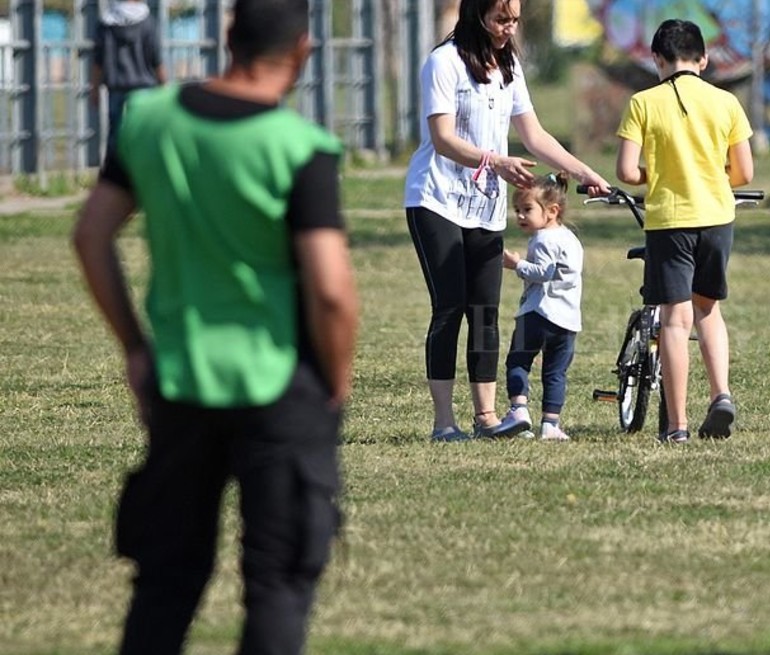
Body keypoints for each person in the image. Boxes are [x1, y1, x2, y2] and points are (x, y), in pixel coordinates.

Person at [70, 1, 358, 653]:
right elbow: (333, 292)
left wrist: (137, 348)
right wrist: (334, 382)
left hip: (180, 380)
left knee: (165, 581)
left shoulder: (148, 120)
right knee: (277, 584)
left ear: (229, 39)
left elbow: (91, 235)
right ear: (303, 51)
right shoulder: (299, 148)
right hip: (280, 386)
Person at [404, 0, 610, 442]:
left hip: (485, 206)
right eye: (501, 18)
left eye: (514, 19)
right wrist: (494, 160)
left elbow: (533, 135)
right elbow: (442, 139)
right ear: (477, 13)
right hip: (436, 199)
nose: (508, 27)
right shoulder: (443, 62)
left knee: (484, 311)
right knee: (451, 306)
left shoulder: (508, 63)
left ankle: (487, 417)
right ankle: (444, 422)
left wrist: (582, 171)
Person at [615, 18, 754, 444]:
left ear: (657, 59)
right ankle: (721, 395)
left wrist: (653, 176)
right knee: (707, 309)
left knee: (675, 321)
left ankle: (676, 426)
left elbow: (625, 170)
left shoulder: (643, 103)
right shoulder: (726, 102)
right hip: (716, 216)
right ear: (704, 59)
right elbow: (744, 172)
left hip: (670, 221)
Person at [500, 173, 583, 442]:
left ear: (551, 211)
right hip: (567, 319)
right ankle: (550, 424)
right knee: (555, 373)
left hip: (536, 314)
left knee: (518, 361)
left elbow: (544, 272)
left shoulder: (544, 239)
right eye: (517, 211)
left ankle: (519, 409)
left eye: (527, 210)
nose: (521, 216)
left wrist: (517, 265)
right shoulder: (570, 239)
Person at [91, 0, 166, 155]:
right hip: (145, 87)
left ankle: (113, 173)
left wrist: (94, 88)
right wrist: (164, 85)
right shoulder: (148, 22)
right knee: (144, 132)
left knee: (115, 133)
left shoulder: (106, 23)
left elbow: (98, 61)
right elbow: (156, 58)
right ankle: (143, 170)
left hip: (116, 86)